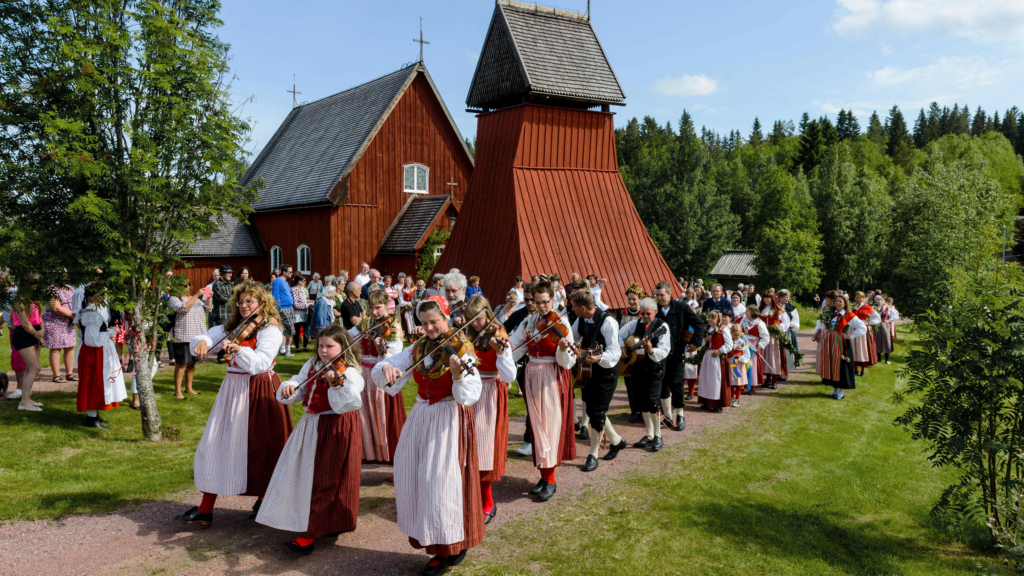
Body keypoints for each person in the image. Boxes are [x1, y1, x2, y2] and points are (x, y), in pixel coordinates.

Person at [372, 295, 484, 576]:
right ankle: (434, 540)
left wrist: (458, 376)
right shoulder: (420, 346)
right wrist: (386, 366)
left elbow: (469, 395)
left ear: (446, 317)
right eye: (423, 323)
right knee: (417, 476)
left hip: (449, 418)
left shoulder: (463, 348)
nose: (430, 327)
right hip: (423, 415)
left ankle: (449, 547)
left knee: (442, 482)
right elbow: (383, 372)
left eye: (434, 321)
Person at [175, 282, 293, 527]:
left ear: (262, 302)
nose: (244, 306)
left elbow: (260, 363)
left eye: (250, 301)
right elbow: (210, 334)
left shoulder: (270, 329)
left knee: (263, 445)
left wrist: (239, 349)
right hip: (232, 389)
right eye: (240, 302)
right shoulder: (233, 327)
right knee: (217, 442)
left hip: (259, 388)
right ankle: (205, 509)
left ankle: (264, 498)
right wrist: (202, 341)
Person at [257, 325, 364, 554]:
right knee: (305, 475)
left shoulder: (350, 372)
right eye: (321, 346)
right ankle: (324, 522)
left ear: (343, 347)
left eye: (329, 346)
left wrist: (336, 384)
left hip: (336, 426)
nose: (324, 351)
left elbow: (352, 401)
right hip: (311, 424)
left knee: (327, 478)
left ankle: (310, 533)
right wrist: (290, 388)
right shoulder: (314, 364)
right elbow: (300, 383)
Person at [508, 281, 576, 501]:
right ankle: (544, 476)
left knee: (549, 426)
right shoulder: (529, 321)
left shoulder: (562, 322)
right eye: (537, 302)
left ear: (553, 299)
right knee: (536, 426)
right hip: (531, 374)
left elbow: (569, 362)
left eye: (545, 302)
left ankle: (551, 479)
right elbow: (515, 347)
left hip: (552, 376)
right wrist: (500, 358)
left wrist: (563, 350)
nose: (542, 306)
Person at [463, 296, 515, 523]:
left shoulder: (499, 333)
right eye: (471, 319)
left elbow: (509, 375)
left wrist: (501, 353)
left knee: (483, 447)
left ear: (487, 312)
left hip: (489, 392)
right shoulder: (468, 332)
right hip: (468, 389)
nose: (475, 323)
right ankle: (470, 495)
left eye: (479, 318)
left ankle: (488, 502)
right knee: (466, 445)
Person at [568, 290, 624, 472]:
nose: (571, 309)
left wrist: (599, 358)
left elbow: (615, 352)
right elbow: (573, 339)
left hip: (606, 372)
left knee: (598, 411)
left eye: (574, 306)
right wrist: (574, 351)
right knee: (592, 409)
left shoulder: (608, 322)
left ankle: (593, 454)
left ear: (583, 308)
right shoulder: (580, 319)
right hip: (587, 372)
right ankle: (616, 441)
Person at [351, 289, 405, 465]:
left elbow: (395, 355)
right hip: (363, 372)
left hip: (381, 372)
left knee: (382, 413)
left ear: (386, 305)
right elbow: (348, 335)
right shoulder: (366, 323)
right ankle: (368, 452)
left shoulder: (393, 324)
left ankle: (389, 454)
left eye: (378, 308)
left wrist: (384, 353)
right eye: (371, 307)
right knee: (364, 412)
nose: (374, 312)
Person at [619, 297, 671, 451]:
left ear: (655, 312)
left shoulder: (662, 327)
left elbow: (664, 350)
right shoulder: (635, 323)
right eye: (643, 313)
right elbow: (618, 334)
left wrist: (651, 350)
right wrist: (623, 346)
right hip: (638, 367)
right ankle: (649, 434)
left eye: (648, 313)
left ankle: (658, 436)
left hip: (655, 368)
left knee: (652, 401)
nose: (645, 316)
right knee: (642, 402)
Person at [654, 281, 705, 431]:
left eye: (662, 295)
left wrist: (696, 342)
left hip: (676, 352)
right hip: (659, 353)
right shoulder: (654, 309)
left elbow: (699, 324)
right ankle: (667, 417)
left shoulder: (681, 307)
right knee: (662, 384)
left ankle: (680, 416)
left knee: (676, 384)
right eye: (657, 295)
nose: (659, 298)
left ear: (670, 294)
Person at [75, 287, 128, 428]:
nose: (103, 298)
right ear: (93, 297)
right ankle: (92, 418)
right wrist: (110, 332)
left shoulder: (91, 312)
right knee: (96, 382)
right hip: (95, 352)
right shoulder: (91, 314)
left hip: (98, 351)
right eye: (100, 295)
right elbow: (92, 339)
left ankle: (94, 415)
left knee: (99, 381)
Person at [813, 294, 866, 399]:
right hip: (829, 341)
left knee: (841, 365)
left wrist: (851, 336)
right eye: (836, 301)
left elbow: (862, 327)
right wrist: (817, 332)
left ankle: (841, 392)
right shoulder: (831, 313)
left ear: (845, 303)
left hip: (841, 342)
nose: (838, 303)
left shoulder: (849, 315)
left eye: (840, 301)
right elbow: (821, 323)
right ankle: (835, 390)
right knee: (832, 365)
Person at [168, 280, 212, 399]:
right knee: (181, 364)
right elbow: (183, 309)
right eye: (184, 285)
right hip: (182, 336)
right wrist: (197, 295)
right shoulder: (174, 298)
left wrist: (208, 297)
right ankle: (177, 392)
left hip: (197, 336)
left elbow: (208, 310)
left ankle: (189, 388)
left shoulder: (195, 298)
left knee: (192, 364)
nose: (187, 287)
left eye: (189, 285)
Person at [10, 275, 44, 411]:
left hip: (34, 333)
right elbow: (24, 323)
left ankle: (26, 399)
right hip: (24, 335)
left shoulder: (33, 299)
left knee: (31, 369)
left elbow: (40, 318)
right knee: (35, 368)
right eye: (34, 282)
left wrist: (43, 330)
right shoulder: (19, 301)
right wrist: (39, 338)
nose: (37, 285)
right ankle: (24, 403)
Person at [615, 283, 644, 422]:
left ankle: (643, 409)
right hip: (625, 350)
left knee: (641, 382)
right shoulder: (622, 313)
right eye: (630, 299)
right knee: (629, 381)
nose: (632, 302)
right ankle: (634, 410)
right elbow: (617, 331)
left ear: (640, 299)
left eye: (634, 299)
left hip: (641, 350)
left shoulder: (643, 313)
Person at [697, 311, 733, 413]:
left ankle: (717, 403)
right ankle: (706, 401)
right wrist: (705, 339)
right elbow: (700, 344)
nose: (710, 320)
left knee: (716, 379)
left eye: (712, 318)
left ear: (718, 319)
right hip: (708, 355)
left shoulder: (724, 329)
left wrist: (720, 350)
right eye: (709, 318)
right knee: (706, 378)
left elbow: (729, 344)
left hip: (717, 357)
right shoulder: (708, 329)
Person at [43, 284, 76, 383]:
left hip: (69, 322)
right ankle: (56, 375)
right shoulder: (51, 289)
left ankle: (69, 374)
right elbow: (56, 308)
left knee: (70, 347)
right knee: (55, 348)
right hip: (54, 321)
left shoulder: (69, 288)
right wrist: (75, 315)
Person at [759, 293, 788, 389]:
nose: (766, 300)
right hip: (763, 336)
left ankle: (774, 380)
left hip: (774, 336)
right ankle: (767, 379)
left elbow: (786, 322)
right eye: (765, 298)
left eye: (768, 298)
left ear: (773, 299)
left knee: (773, 357)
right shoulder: (761, 309)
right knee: (765, 356)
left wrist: (777, 328)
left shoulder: (779, 309)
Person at [210, 265, 235, 363]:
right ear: (221, 274)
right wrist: (230, 297)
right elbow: (221, 298)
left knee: (231, 334)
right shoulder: (214, 285)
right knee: (222, 334)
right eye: (228, 272)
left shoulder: (231, 285)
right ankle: (220, 355)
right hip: (220, 313)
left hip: (231, 312)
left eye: (231, 272)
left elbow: (233, 297)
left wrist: (229, 297)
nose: (230, 274)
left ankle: (228, 353)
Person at [272, 265, 296, 358]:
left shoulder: (286, 282)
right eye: (290, 272)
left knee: (286, 329)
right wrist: (280, 308)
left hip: (289, 307)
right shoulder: (277, 281)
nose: (291, 274)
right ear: (284, 272)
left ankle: (284, 349)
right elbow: (275, 295)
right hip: (284, 308)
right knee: (289, 329)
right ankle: (287, 349)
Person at [725, 324, 751, 407]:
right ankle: (731, 397)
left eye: (738, 335)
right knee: (732, 382)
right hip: (731, 363)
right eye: (734, 335)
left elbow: (747, 355)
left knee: (738, 382)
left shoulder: (742, 343)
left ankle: (737, 398)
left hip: (739, 364)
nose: (736, 337)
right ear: (731, 334)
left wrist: (739, 359)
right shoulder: (729, 342)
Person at [779, 289, 801, 370]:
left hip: (788, 332)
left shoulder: (792, 308)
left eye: (788, 297)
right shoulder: (775, 307)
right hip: (777, 331)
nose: (787, 299)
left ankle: (786, 369)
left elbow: (796, 320)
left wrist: (790, 325)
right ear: (780, 297)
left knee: (788, 351)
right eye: (786, 297)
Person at [876, 296, 899, 364]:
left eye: (878, 300)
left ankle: (887, 359)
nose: (877, 301)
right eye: (876, 300)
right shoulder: (875, 308)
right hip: (876, 326)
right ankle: (879, 358)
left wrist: (889, 320)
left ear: (882, 300)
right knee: (877, 341)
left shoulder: (887, 308)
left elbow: (895, 315)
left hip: (885, 326)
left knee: (886, 341)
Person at [291, 275, 311, 351]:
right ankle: (297, 348)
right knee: (297, 331)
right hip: (297, 313)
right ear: (299, 281)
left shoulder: (303, 289)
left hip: (304, 313)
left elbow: (303, 301)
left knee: (306, 330)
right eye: (304, 281)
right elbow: (296, 304)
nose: (305, 282)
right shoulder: (293, 290)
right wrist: (308, 304)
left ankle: (305, 347)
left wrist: (309, 301)